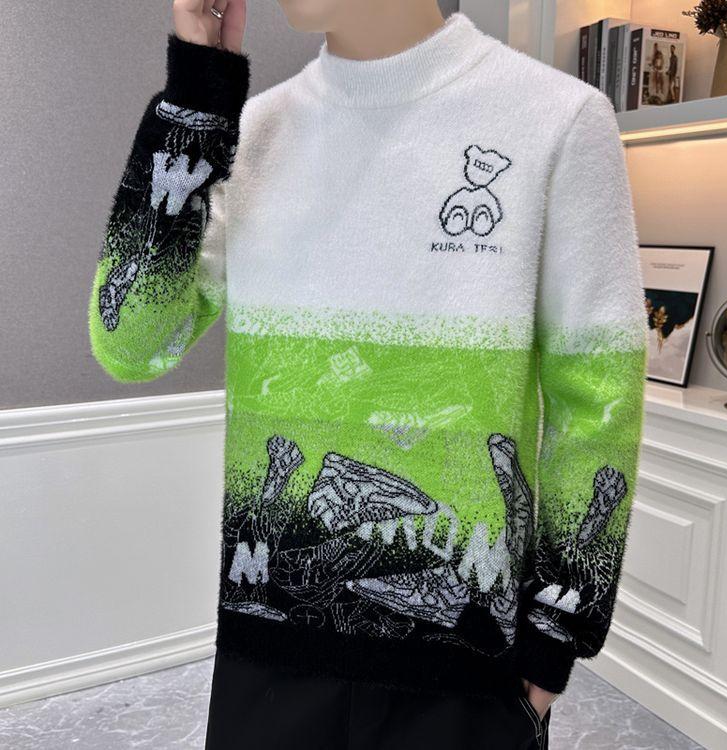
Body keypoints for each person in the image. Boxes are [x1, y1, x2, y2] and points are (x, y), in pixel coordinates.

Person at [87, 1, 648, 747]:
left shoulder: (557, 118)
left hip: (465, 670)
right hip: (268, 651)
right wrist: (194, 94)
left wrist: (554, 641)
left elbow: (597, 401)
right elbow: (129, 341)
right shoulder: (253, 131)